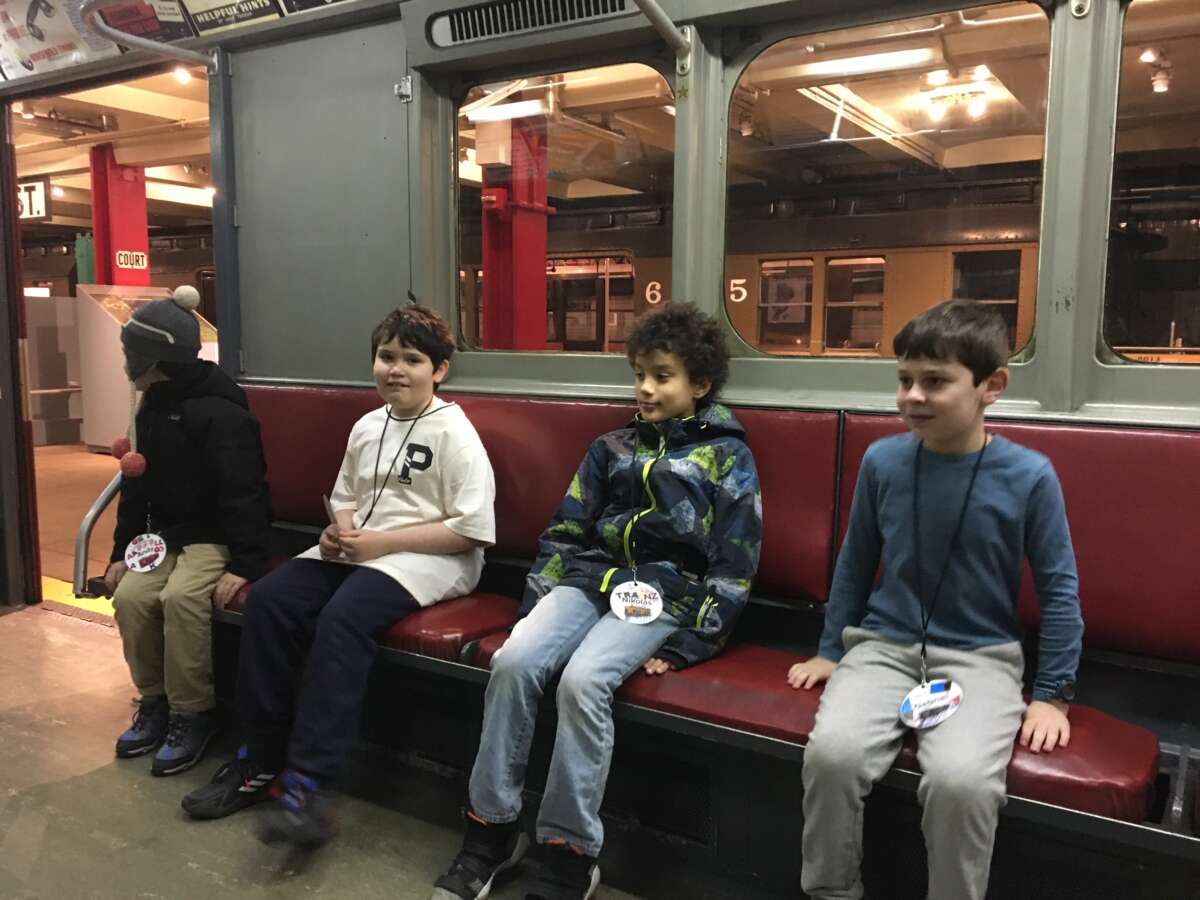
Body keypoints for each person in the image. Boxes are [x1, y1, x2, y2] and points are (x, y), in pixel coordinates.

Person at [431, 303, 762, 900]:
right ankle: (491, 828)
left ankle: (567, 852)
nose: (645, 387)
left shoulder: (727, 457)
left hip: (663, 596)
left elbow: (734, 560)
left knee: (583, 682)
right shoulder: (610, 447)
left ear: (700, 385)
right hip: (588, 580)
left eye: (662, 375)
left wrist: (694, 642)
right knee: (512, 661)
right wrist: (534, 610)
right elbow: (564, 533)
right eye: (639, 373)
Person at [788, 299, 1083, 900]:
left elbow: (1059, 590)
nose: (913, 397)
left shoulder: (1030, 476)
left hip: (981, 659)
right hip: (882, 648)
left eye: (935, 381)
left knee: (961, 783)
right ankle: (831, 891)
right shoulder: (882, 461)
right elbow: (855, 563)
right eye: (904, 381)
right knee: (832, 758)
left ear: (990, 387)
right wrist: (830, 650)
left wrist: (1053, 696)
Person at [181, 305, 496, 848]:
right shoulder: (367, 425)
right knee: (270, 600)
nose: (396, 369)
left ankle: (307, 781)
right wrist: (338, 532)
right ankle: (258, 758)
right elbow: (346, 498)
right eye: (386, 356)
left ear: (439, 370)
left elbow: (469, 530)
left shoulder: (456, 434)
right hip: (360, 550)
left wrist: (379, 543)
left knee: (344, 615)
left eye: (413, 360)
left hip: (432, 561)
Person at [107, 286, 271, 776]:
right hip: (168, 534)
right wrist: (120, 552)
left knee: (181, 599)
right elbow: (137, 489)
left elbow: (245, 493)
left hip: (215, 537)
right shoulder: (152, 408)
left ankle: (191, 712)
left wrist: (245, 564)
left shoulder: (222, 413)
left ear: (154, 358)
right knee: (132, 596)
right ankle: (154, 700)